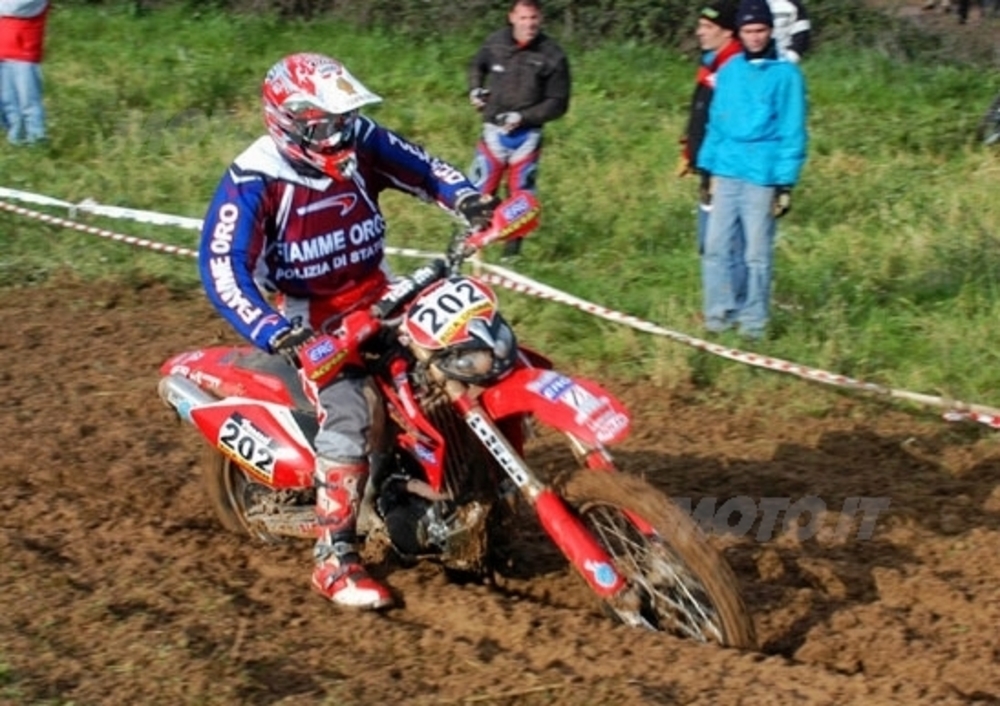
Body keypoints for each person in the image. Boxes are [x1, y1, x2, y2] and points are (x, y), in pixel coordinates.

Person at [198, 53, 498, 610]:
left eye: (342, 121)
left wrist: (467, 198)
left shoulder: (360, 140)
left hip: (379, 292)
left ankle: (462, 482)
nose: (338, 137)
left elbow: (423, 168)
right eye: (324, 127)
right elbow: (222, 268)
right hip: (310, 318)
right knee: (352, 410)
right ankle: (334, 557)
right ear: (289, 125)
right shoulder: (255, 180)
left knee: (463, 355)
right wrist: (275, 331)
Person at [697, 0, 808, 339]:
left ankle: (753, 323)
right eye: (748, 30)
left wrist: (784, 183)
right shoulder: (730, 70)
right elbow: (717, 122)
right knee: (715, 247)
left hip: (762, 173)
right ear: (739, 33)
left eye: (760, 30)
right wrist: (706, 169)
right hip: (726, 168)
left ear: (770, 31)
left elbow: (792, 129)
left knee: (756, 253)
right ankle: (718, 316)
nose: (755, 37)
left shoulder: (786, 75)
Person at [467, 0, 570, 260]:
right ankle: (472, 244)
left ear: (540, 19)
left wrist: (523, 117)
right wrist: (475, 89)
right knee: (480, 189)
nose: (529, 24)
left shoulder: (553, 54)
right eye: (523, 18)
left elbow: (558, 103)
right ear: (512, 17)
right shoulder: (495, 43)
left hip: (527, 136)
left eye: (533, 18)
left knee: (521, 195)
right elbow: (476, 65)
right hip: (493, 130)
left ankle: (511, 255)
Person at [677, 0, 744, 292]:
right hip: (707, 162)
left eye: (707, 26)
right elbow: (702, 112)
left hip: (725, 168)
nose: (699, 32)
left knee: (727, 243)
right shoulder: (711, 63)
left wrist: (718, 169)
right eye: (700, 25)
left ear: (727, 32)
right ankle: (717, 303)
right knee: (709, 242)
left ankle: (733, 303)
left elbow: (732, 123)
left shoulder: (735, 68)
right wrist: (689, 149)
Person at [0, 0, 50, 145]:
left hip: (25, 54)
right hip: (4, 51)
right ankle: (16, 139)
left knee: (28, 101)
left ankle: (36, 139)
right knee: (8, 102)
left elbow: (15, 7)